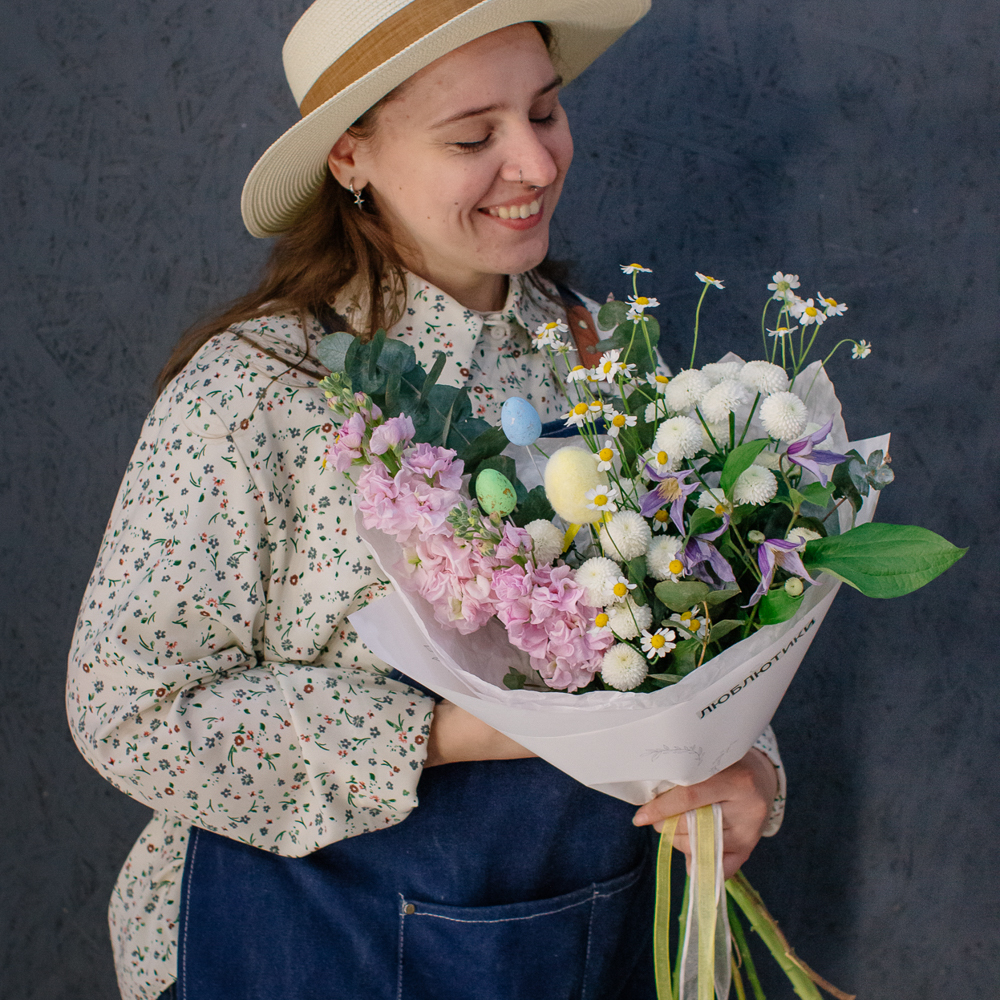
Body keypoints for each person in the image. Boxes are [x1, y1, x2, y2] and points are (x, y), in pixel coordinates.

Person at [67, 3, 785, 998]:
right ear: (351, 157)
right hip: (312, 938)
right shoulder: (255, 391)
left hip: (586, 929)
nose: (533, 164)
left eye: (544, 112)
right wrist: (457, 732)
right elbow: (128, 707)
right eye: (472, 137)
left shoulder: (602, 351)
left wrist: (746, 770)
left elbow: (702, 614)